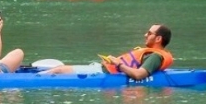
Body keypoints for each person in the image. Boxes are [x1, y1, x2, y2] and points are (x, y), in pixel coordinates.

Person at [43, 24, 174, 80]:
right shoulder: (151, 53)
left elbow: (139, 75)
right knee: (58, 68)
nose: (145, 34)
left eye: (149, 33)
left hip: (102, 73)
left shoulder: (156, 57)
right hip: (101, 69)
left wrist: (119, 64)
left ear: (158, 38)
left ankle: (31, 79)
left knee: (58, 70)